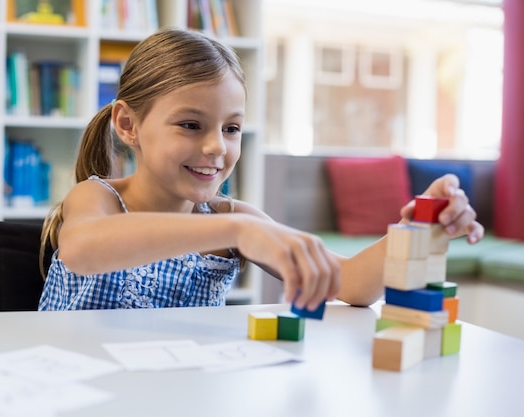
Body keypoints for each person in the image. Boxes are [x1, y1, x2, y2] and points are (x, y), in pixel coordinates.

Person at [38, 28, 484, 311]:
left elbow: (350, 284)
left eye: (232, 128)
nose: (217, 146)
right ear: (128, 124)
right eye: (191, 125)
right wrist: (236, 232)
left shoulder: (234, 219)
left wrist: (421, 228)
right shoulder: (97, 199)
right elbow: (83, 249)